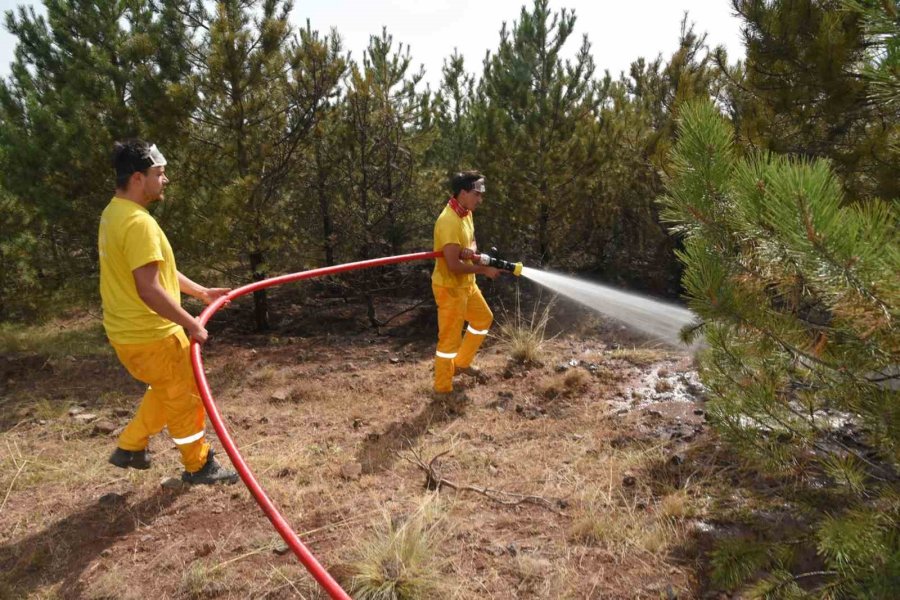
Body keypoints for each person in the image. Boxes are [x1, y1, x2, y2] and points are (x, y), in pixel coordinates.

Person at [99, 139, 238, 485]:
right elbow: (149, 288)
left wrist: (202, 292)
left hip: (128, 335)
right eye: (159, 174)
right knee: (186, 400)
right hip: (154, 336)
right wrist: (191, 324)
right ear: (137, 178)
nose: (166, 180)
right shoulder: (139, 223)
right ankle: (199, 466)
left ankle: (130, 446)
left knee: (166, 389)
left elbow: (156, 271)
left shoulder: (114, 213)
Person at [431, 171, 502, 397]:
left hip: (466, 284)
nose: (480, 199)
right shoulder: (448, 221)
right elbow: (452, 265)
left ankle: (461, 364)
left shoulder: (466, 213)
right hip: (450, 288)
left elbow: (470, 241)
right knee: (449, 341)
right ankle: (442, 390)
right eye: (476, 194)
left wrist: (473, 253)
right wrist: (484, 270)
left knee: (483, 318)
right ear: (463, 193)